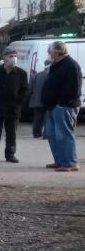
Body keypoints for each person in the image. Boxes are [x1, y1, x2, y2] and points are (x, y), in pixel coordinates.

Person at [42, 40, 82, 172]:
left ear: (58, 51)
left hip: (64, 106)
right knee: (53, 135)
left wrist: (61, 103)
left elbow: (74, 88)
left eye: (50, 50)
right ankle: (60, 161)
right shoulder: (56, 65)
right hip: (52, 106)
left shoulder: (71, 65)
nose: (48, 53)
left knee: (64, 135)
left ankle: (70, 163)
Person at [28, 59, 52, 139]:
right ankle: (46, 135)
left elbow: (30, 88)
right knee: (47, 118)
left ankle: (36, 134)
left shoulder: (37, 75)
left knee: (37, 118)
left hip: (36, 100)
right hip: (46, 101)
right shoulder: (50, 75)